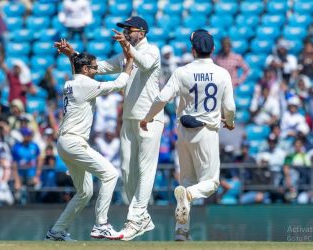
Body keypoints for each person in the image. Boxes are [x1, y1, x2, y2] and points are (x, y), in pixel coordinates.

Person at [55, 16, 164, 241]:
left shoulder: (152, 51)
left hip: (149, 117)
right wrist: (74, 55)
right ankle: (138, 216)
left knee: (145, 169)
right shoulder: (124, 54)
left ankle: (137, 217)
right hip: (129, 118)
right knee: (125, 170)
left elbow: (142, 63)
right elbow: (96, 68)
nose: (124, 32)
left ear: (141, 33)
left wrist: (126, 49)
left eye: (129, 30)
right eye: (123, 30)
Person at [140, 29, 236, 241]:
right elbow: (229, 107)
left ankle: (181, 232)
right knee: (210, 184)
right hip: (207, 131)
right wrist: (229, 123)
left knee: (186, 181)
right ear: (212, 49)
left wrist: (147, 118)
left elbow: (162, 97)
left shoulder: (181, 72)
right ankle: (190, 197)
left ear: (193, 50)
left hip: (183, 132)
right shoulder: (222, 73)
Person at [45, 45, 134, 241]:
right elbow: (118, 85)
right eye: (93, 68)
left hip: (65, 142)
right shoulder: (85, 85)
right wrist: (129, 66)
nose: (96, 70)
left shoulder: (71, 82)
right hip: (74, 142)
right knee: (110, 174)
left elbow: (78, 69)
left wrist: (72, 55)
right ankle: (101, 224)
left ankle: (55, 232)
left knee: (85, 192)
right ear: (85, 70)